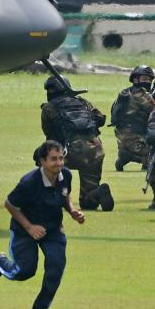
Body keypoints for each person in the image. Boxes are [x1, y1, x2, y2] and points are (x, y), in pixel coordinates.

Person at [0, 140, 86, 309]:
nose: (59, 163)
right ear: (43, 161)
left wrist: (72, 211)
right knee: (25, 271)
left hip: (52, 229)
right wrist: (30, 227)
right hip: (24, 230)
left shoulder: (66, 175)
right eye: (53, 159)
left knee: (56, 266)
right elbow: (10, 204)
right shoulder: (29, 182)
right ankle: (0, 263)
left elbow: (65, 194)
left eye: (61, 158)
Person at [41, 75, 114, 211]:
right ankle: (98, 192)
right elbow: (100, 119)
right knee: (87, 203)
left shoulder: (49, 108)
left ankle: (56, 195)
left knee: (42, 158)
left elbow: (49, 135)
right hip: (95, 151)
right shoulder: (83, 102)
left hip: (69, 151)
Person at [111, 65, 155, 171]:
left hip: (124, 137)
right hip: (135, 139)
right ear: (135, 80)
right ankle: (134, 157)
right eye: (145, 79)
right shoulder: (140, 95)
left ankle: (125, 155)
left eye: (149, 80)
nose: (148, 82)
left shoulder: (126, 93)